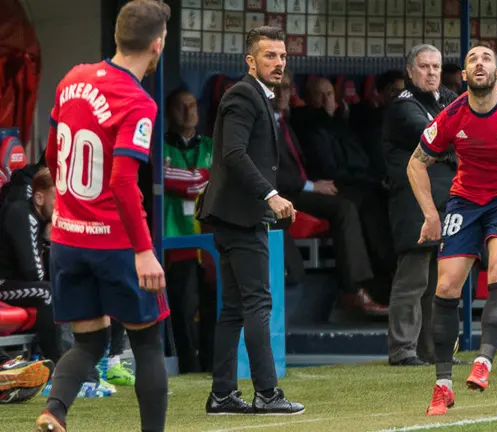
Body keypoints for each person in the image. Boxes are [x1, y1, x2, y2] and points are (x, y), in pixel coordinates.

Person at [35, 1, 171, 430]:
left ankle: (53, 411)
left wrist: (64, 212)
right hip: (113, 244)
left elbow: (53, 156)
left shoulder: (71, 79)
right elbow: (123, 182)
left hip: (68, 240)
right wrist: (144, 251)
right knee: (148, 342)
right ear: (157, 43)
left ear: (117, 36)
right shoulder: (137, 101)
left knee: (89, 340)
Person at [410, 43, 497, 416]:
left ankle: (484, 361)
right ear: (465, 76)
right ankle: (442, 386)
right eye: (473, 59)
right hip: (466, 201)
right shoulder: (452, 116)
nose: (480, 63)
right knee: (446, 285)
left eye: (487, 58)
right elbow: (415, 164)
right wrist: (430, 215)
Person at [197, 26, 304, 415]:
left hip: (229, 216)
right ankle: (267, 393)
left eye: (282, 56)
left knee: (233, 309)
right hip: (241, 218)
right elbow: (234, 153)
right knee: (257, 304)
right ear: (250, 60)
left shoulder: (258, 95)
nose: (278, 63)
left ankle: (223, 394)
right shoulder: (244, 94)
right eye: (270, 56)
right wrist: (270, 195)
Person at [274, 72, 388, 316]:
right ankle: (351, 290)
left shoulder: (282, 120)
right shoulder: (274, 122)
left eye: (285, 88)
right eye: (276, 88)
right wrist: (311, 186)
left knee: (368, 197)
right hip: (281, 194)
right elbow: (269, 171)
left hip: (302, 187)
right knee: (344, 207)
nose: (281, 94)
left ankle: (383, 279)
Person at [383, 44, 457, 366]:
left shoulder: (449, 98)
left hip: (446, 199)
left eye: (436, 67)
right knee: (413, 279)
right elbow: (429, 135)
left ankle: (433, 350)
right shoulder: (402, 106)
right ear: (410, 72)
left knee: (440, 280)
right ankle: (402, 350)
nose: (431, 73)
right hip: (414, 200)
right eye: (424, 67)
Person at [162, 88, 216, 373]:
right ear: (170, 112)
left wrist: (191, 179)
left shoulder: (211, 145)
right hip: (176, 238)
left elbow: (212, 180)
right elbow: (171, 178)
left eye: (192, 105)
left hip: (208, 239)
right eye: (181, 106)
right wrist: (199, 177)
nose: (188, 111)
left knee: (211, 304)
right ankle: (189, 364)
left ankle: (210, 362)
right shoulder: (160, 148)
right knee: (182, 307)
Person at [0, 168, 61, 364]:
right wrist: (47, 242)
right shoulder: (22, 214)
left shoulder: (40, 219)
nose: (59, 206)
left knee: (62, 289)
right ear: (39, 198)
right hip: (3, 284)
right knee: (47, 292)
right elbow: (33, 272)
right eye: (55, 199)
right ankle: (57, 363)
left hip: (17, 283)